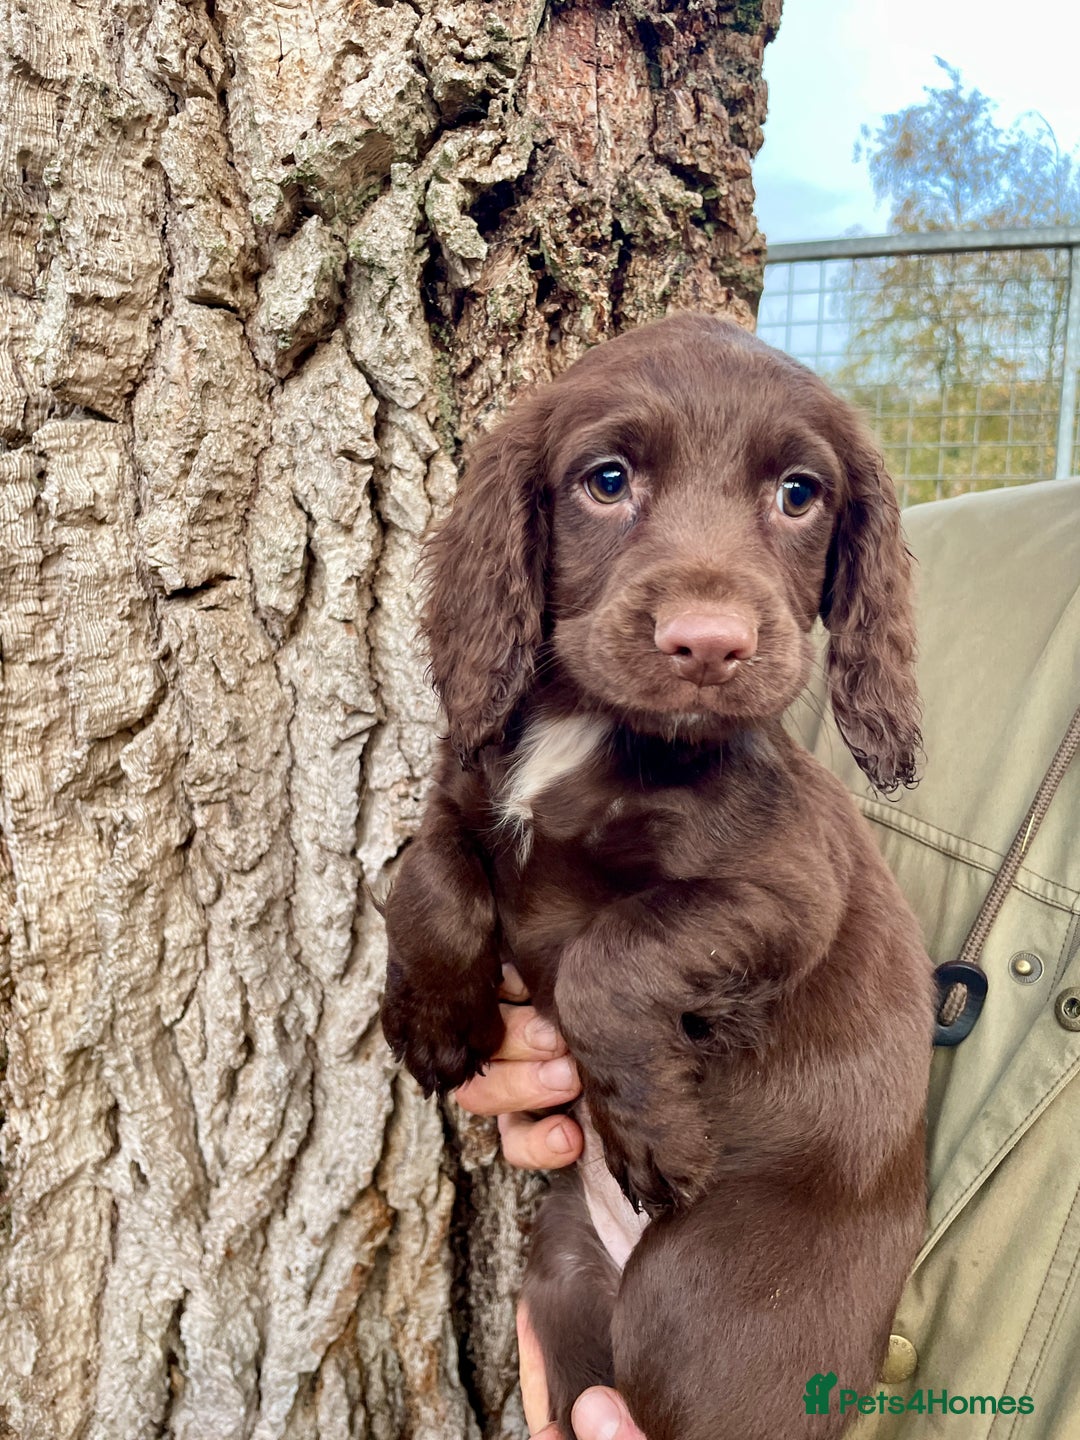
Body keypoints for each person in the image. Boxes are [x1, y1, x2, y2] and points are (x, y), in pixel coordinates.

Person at [454, 476, 1080, 1439]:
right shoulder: (943, 566)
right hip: (622, 1276)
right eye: (611, 481)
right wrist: (529, 1007)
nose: (714, 623)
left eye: (792, 493)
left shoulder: (859, 579)